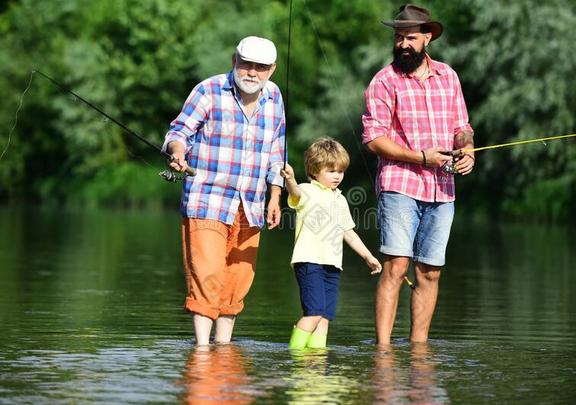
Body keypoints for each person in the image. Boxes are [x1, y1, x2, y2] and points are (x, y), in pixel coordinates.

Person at [362, 4, 475, 344]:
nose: (403, 45)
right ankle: (382, 350)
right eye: (398, 38)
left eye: (410, 37)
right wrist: (420, 157)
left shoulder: (449, 76)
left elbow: (462, 127)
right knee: (396, 267)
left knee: (430, 272)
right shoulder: (384, 81)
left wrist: (467, 149)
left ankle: (418, 348)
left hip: (443, 189)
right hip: (400, 184)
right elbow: (373, 139)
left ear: (427, 38)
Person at [163, 36, 286, 346]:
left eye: (260, 67)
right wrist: (178, 152)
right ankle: (202, 351)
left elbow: (276, 151)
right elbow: (179, 132)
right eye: (246, 64)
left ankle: (224, 347)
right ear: (235, 60)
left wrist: (275, 194)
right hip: (208, 200)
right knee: (207, 274)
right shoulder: (209, 90)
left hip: (252, 204)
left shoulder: (274, 96)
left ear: (272, 69)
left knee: (238, 280)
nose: (252, 72)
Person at [281, 137, 382, 349]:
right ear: (315, 170)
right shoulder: (307, 190)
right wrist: (289, 179)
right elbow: (295, 193)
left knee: (325, 318)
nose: (337, 176)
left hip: (332, 265)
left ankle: (316, 361)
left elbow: (348, 232)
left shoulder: (340, 199)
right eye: (331, 170)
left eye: (340, 171)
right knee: (314, 313)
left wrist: (368, 256)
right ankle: (294, 355)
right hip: (309, 262)